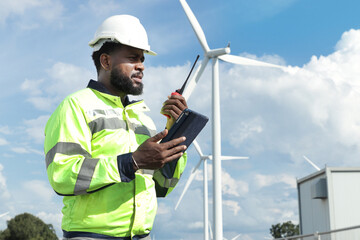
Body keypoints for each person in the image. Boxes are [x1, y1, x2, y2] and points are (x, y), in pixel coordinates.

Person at [44, 15, 188, 240]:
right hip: (91, 236)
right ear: (106, 61)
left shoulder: (144, 120)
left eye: (142, 59)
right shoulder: (76, 106)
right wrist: (131, 162)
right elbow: (62, 175)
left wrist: (176, 136)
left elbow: (163, 187)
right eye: (132, 58)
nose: (141, 66)